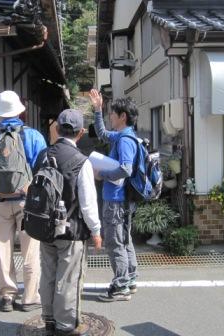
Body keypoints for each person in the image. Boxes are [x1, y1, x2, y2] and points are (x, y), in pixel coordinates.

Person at [0, 91, 46, 312]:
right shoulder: (33, 136)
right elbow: (43, 171)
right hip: (27, 203)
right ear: (19, 111)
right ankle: (30, 297)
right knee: (30, 251)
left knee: (3, 250)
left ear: (0, 113)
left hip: (0, 201)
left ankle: (7, 296)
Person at [39, 109, 102, 336]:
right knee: (68, 278)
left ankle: (48, 319)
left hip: (45, 228)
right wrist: (96, 230)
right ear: (81, 132)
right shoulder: (80, 161)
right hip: (71, 229)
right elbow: (87, 202)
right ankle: (66, 325)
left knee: (48, 274)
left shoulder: (43, 155)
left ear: (56, 129)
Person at [89, 89, 139, 302]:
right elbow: (101, 133)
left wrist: (103, 174)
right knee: (124, 239)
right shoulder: (123, 136)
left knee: (115, 242)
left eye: (112, 113)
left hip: (117, 200)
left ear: (123, 117)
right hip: (121, 200)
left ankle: (120, 287)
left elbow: (126, 169)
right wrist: (98, 110)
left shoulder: (125, 140)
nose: (111, 116)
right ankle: (130, 279)